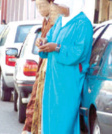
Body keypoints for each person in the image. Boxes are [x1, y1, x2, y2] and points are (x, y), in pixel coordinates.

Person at [37, 0, 93, 133]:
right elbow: (49, 38)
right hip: (53, 80)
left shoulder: (83, 24)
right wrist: (43, 41)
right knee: (50, 116)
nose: (56, 7)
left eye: (59, 4)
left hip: (69, 82)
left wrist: (56, 48)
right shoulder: (60, 22)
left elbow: (79, 52)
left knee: (64, 120)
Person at [21, 0, 69, 134]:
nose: (40, 9)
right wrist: (41, 41)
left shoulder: (61, 23)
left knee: (45, 101)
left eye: (42, 5)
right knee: (37, 97)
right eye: (37, 6)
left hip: (55, 68)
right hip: (44, 65)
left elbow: (68, 50)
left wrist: (54, 46)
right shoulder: (46, 21)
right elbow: (46, 41)